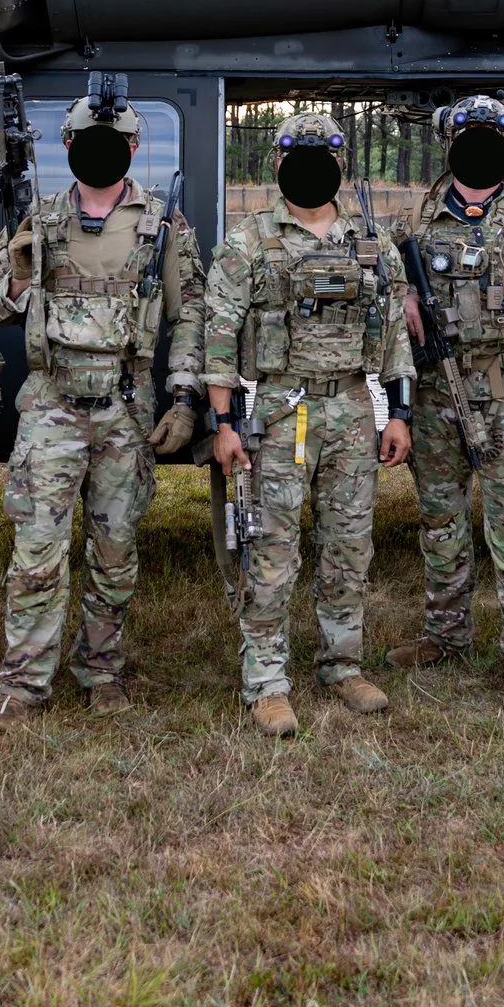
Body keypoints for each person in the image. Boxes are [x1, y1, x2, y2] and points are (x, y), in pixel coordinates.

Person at [0, 76, 206, 723]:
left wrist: (184, 396)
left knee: (114, 554)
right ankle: (23, 684)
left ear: (131, 149)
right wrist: (21, 271)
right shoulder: (41, 217)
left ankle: (101, 670)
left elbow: (190, 316)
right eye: (88, 141)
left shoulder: (164, 224)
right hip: (51, 405)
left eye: (113, 142)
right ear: (69, 144)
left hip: (122, 408)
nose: (100, 150)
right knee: (36, 555)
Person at [203, 110, 416, 737]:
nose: (312, 166)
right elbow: (217, 341)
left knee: (349, 546)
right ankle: (266, 681)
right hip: (278, 411)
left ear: (340, 165)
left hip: (351, 407)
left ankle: (340, 664)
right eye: (300, 155)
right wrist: (224, 423)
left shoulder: (369, 244)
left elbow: (396, 337)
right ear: (277, 163)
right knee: (272, 548)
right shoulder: (246, 245)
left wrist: (398, 414)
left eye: (325, 154)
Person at [383, 94, 504, 715]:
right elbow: (376, 277)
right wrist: (399, 294)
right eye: (469, 135)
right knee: (440, 522)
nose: (479, 145)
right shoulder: (412, 222)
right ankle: (446, 635)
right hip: (439, 390)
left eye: (492, 135)